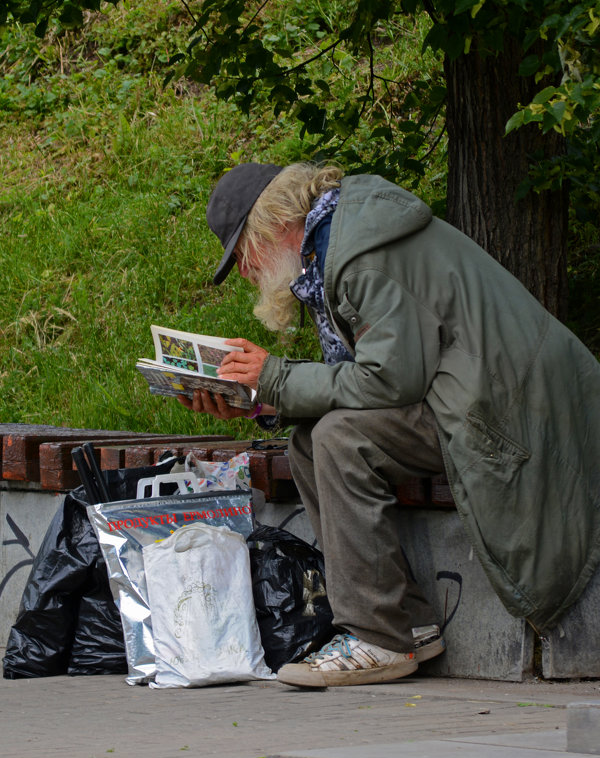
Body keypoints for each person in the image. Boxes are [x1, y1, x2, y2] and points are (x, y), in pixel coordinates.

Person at [178, 161, 600, 688]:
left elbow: (388, 382)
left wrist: (277, 381)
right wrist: (259, 400)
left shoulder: (359, 258)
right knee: (310, 441)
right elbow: (371, 378)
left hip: (511, 409)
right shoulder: (334, 244)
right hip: (468, 394)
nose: (244, 271)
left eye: (242, 253)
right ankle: (411, 625)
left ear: (273, 222)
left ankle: (377, 637)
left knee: (337, 439)